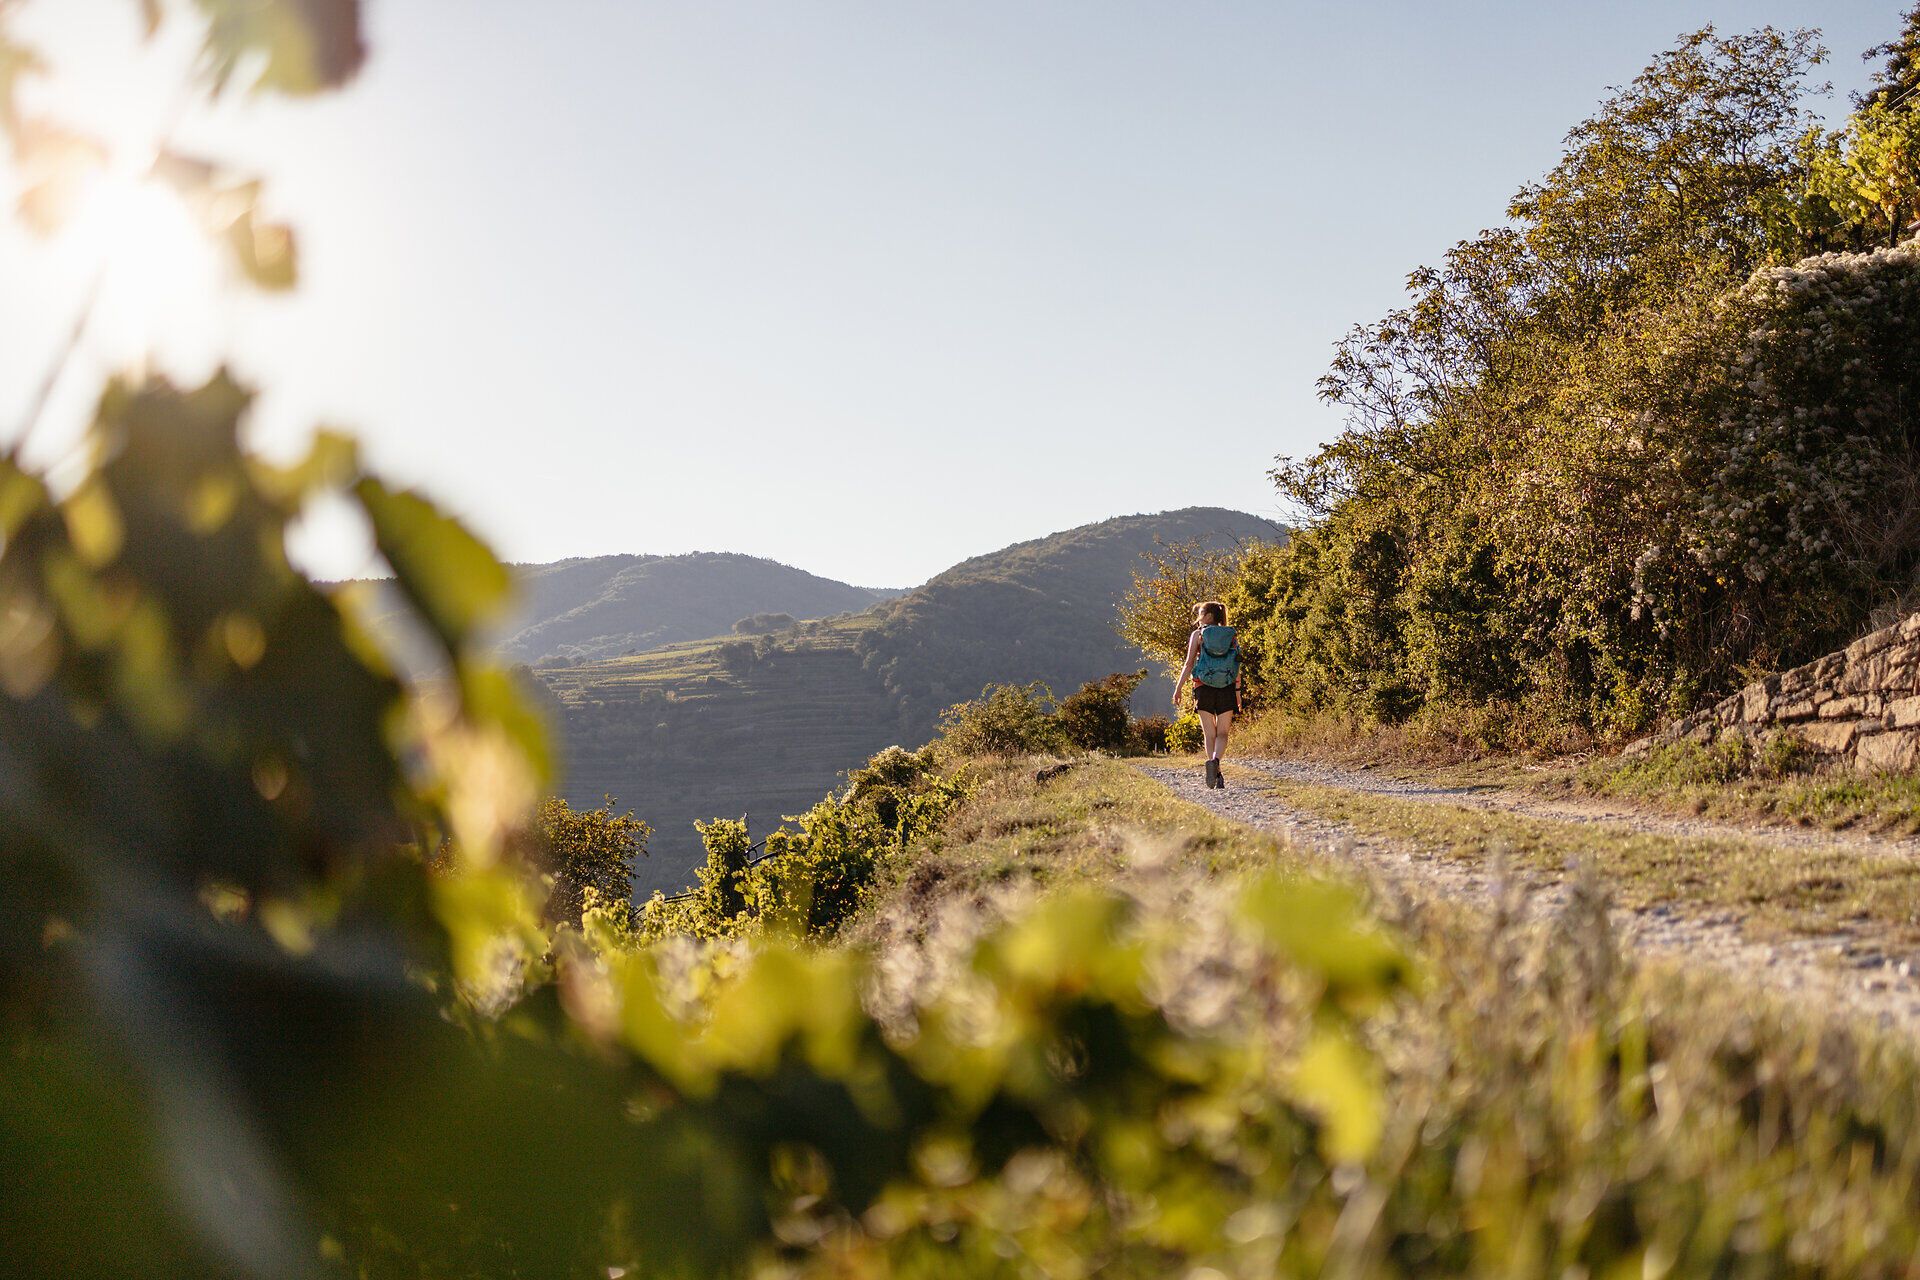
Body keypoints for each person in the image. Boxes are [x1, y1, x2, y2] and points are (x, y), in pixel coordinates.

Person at [1173, 600, 1240, 788]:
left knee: (1209, 734)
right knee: (1223, 733)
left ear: (1209, 616)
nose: (1199, 617)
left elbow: (1188, 664)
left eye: (1201, 613)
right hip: (1226, 686)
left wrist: (1178, 688)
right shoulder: (1230, 635)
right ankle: (1216, 762)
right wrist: (1238, 692)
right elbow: (1236, 664)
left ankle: (1215, 773)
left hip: (1203, 687)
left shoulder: (1198, 635)